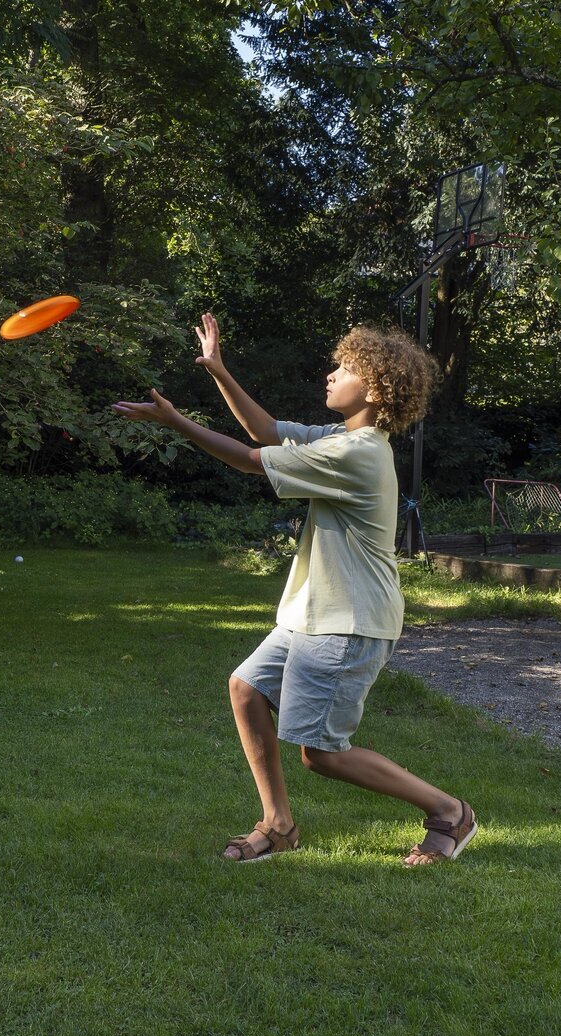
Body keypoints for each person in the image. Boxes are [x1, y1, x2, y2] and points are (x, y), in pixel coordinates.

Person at [112, 312, 477, 867]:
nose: (330, 374)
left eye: (344, 367)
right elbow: (266, 431)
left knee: (322, 754)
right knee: (246, 689)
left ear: (375, 388)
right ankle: (279, 826)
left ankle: (448, 811)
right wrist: (218, 370)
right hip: (313, 613)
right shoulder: (343, 437)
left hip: (347, 621)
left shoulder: (355, 453)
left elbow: (250, 460)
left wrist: (174, 421)